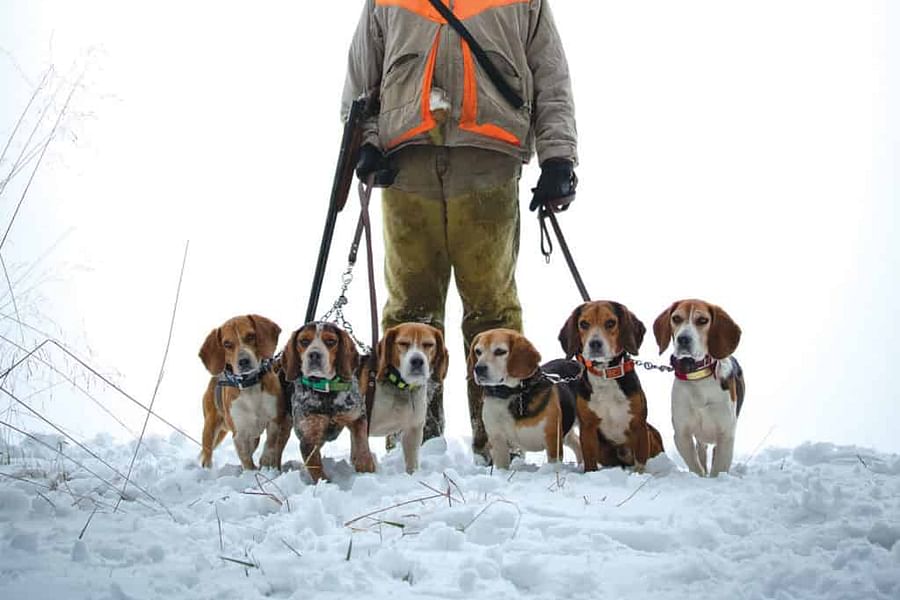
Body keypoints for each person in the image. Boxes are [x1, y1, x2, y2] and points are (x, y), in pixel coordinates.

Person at [342, 0, 577, 463]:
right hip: (405, 164)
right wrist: (365, 144)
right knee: (410, 311)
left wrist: (558, 156)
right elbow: (360, 78)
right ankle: (412, 445)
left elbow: (550, 73)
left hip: (488, 160)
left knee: (492, 310)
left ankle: (499, 443)